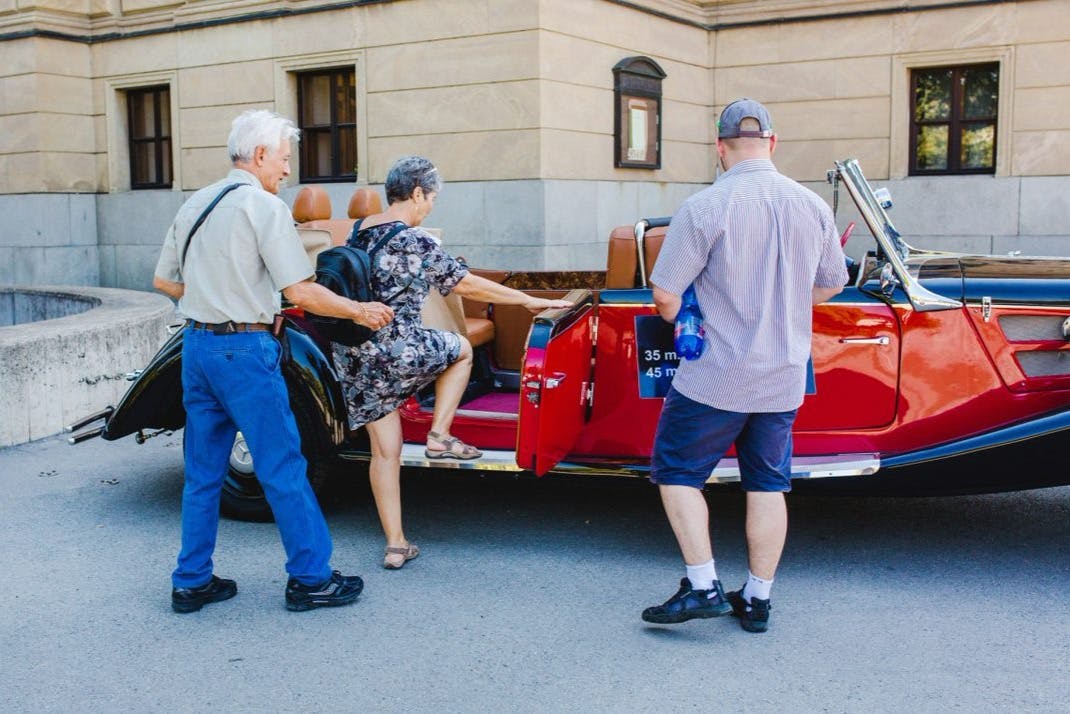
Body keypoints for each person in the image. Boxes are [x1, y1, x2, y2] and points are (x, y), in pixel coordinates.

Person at [152, 109, 395, 613]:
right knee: (283, 465)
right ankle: (311, 579)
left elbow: (167, 283)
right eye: (284, 160)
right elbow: (300, 289)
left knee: (203, 474)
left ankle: (192, 581)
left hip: (197, 348)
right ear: (260, 155)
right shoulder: (263, 208)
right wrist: (359, 309)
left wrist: (215, 303)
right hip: (245, 352)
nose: (287, 171)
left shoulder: (195, 203)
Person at [640, 99, 848, 633]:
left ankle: (704, 584)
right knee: (768, 483)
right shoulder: (812, 206)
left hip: (717, 373)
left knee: (678, 472)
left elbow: (666, 294)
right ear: (773, 144)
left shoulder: (706, 206)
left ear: (721, 147)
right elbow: (828, 285)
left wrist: (687, 314)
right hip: (783, 374)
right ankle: (757, 600)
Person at [331, 155, 571, 570]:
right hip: (397, 349)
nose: (430, 207)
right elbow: (466, 283)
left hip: (356, 356)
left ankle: (396, 544)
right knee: (460, 349)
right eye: (431, 198)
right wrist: (528, 299)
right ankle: (440, 434)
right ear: (418, 193)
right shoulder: (415, 239)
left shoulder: (357, 233)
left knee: (384, 453)